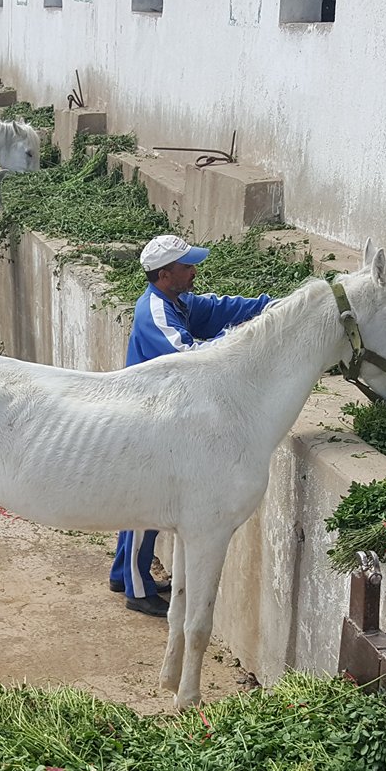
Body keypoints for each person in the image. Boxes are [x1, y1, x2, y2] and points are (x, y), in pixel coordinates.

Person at [111, 234, 274, 618]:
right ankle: (137, 590)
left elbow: (218, 309)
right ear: (165, 274)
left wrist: (270, 308)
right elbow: (192, 355)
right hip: (145, 416)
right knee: (143, 508)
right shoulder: (154, 311)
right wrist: (242, 338)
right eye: (187, 267)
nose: (194, 271)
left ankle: (124, 574)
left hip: (162, 412)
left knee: (144, 508)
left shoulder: (178, 301)